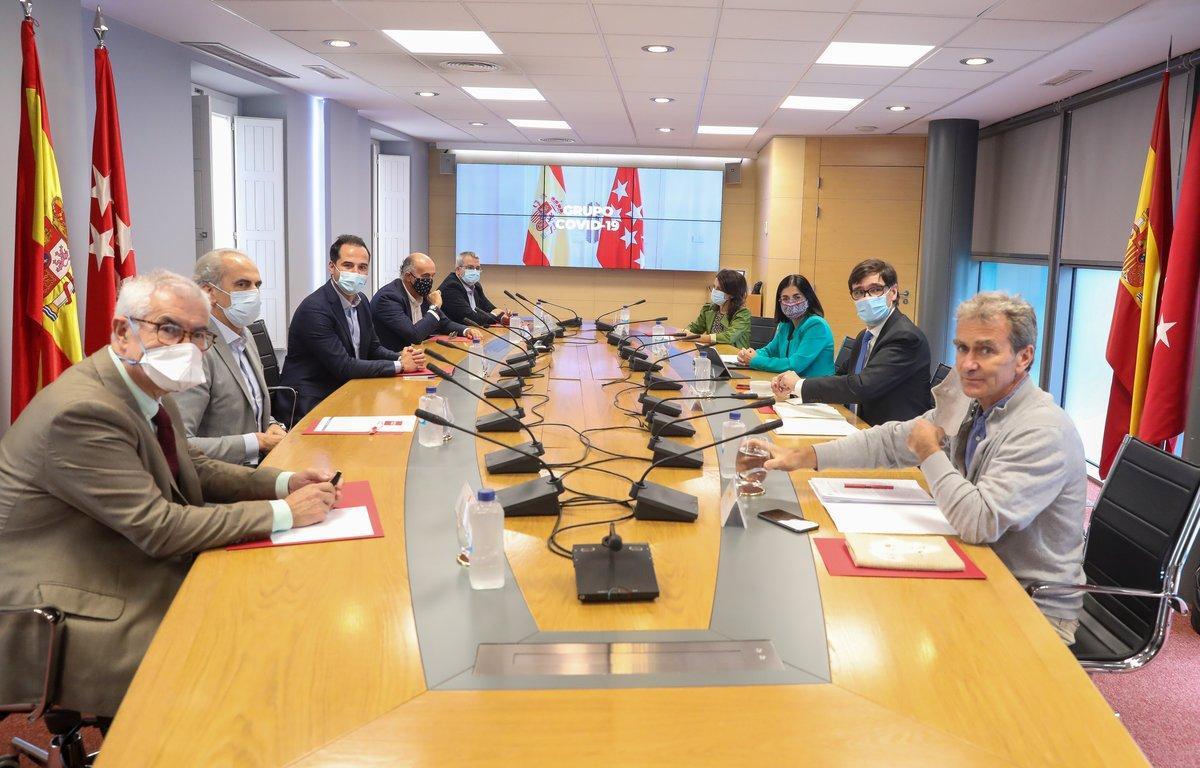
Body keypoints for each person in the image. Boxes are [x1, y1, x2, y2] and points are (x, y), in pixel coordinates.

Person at [0, 270, 338, 717]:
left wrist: (282, 482)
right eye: (170, 328)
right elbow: (159, 528)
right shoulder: (82, 411)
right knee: (237, 659)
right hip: (64, 595)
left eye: (199, 335)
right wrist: (284, 513)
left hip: (119, 550)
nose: (188, 346)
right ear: (124, 332)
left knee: (268, 607)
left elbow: (188, 465)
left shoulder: (145, 382)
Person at [754, 292, 1086, 644]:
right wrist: (804, 457)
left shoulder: (1041, 430)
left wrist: (930, 452)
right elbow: (893, 440)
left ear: (1024, 357)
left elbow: (978, 521)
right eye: (962, 348)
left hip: (1029, 604)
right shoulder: (977, 400)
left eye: (986, 350)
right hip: (977, 567)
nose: (967, 364)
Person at [279, 235, 425, 420]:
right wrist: (399, 365)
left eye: (362, 267)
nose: (356, 272)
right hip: (312, 400)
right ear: (332, 267)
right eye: (348, 265)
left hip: (347, 388)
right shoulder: (315, 309)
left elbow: (373, 348)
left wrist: (402, 356)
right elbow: (343, 366)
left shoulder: (361, 300)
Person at [771, 258, 932, 426]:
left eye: (875, 290)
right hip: (859, 426)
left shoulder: (905, 337)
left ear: (893, 292)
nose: (866, 298)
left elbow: (862, 386)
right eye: (859, 292)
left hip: (895, 439)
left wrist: (799, 385)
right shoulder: (865, 336)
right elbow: (840, 377)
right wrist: (793, 391)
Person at [173, 249, 284, 465]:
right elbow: (180, 443)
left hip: (260, 465)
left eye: (257, 285)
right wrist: (256, 442)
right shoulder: (192, 350)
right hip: (219, 479)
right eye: (242, 285)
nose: (254, 293)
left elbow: (250, 405)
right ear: (208, 293)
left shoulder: (245, 334)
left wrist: (272, 425)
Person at [372, 252, 485, 349]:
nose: (430, 281)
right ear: (408, 276)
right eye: (426, 276)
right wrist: (435, 307)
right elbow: (414, 335)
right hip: (393, 360)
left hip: (418, 356)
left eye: (432, 276)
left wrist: (466, 330)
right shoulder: (388, 298)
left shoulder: (423, 294)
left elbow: (444, 323)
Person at [734, 274, 835, 376]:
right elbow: (770, 351)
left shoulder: (817, 325)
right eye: (785, 298)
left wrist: (755, 361)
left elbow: (794, 365)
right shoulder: (786, 324)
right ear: (780, 302)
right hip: (789, 384)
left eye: (797, 297)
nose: (791, 303)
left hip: (814, 388)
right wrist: (749, 355)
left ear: (808, 298)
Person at [438, 250, 511, 327]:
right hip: (450, 335)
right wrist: (494, 314)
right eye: (470, 267)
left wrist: (503, 317)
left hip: (470, 331)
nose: (475, 271)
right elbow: (472, 319)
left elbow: (490, 308)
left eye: (478, 268)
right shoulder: (451, 287)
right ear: (458, 270)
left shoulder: (476, 286)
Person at [684, 268, 751, 348]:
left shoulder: (743, 313)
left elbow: (728, 337)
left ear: (732, 294)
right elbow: (695, 327)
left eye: (718, 289)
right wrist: (685, 333)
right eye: (714, 287)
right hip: (713, 353)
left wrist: (696, 337)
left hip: (734, 357)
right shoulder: (709, 308)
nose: (714, 291)